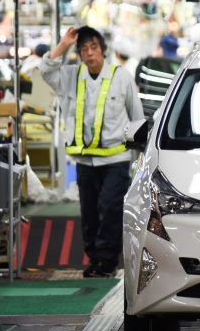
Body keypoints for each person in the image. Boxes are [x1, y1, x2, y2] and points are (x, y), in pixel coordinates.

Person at [40, 26, 144, 277]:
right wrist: (63, 44)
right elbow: (45, 71)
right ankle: (95, 259)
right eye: (84, 49)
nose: (89, 53)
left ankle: (107, 262)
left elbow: (137, 117)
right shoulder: (71, 76)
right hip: (85, 161)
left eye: (93, 47)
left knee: (110, 207)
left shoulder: (121, 77)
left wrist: (140, 158)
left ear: (103, 50)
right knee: (88, 213)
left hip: (116, 159)